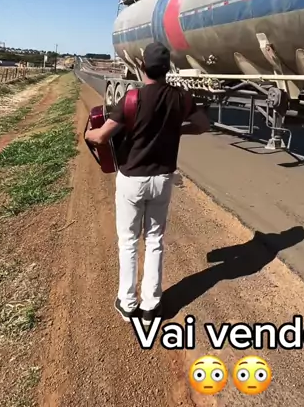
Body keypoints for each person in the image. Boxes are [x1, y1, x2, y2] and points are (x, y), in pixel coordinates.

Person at [84, 42, 210, 324]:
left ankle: (128, 303)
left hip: (132, 179)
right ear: (167, 69)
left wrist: (89, 135)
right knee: (155, 240)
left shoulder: (132, 98)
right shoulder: (182, 98)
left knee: (128, 241)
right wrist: (178, 130)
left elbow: (102, 137)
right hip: (162, 179)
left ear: (142, 67)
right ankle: (152, 304)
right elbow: (203, 125)